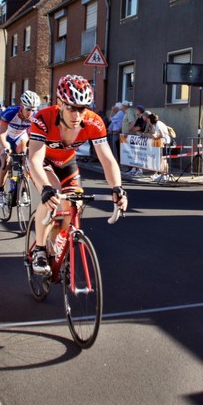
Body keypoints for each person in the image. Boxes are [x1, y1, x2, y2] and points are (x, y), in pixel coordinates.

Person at [27, 75, 128, 275]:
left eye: (82, 109)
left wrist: (117, 188)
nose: (76, 115)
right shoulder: (43, 118)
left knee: (76, 204)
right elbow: (35, 160)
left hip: (67, 163)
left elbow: (107, 159)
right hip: (43, 162)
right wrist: (45, 188)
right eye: (71, 108)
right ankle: (39, 249)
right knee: (53, 196)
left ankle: (59, 239)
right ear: (60, 103)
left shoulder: (93, 122)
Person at [0, 90, 40, 207]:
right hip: (5, 136)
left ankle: (24, 190)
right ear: (21, 105)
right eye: (28, 109)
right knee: (7, 162)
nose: (31, 112)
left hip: (20, 136)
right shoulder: (10, 112)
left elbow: (36, 135)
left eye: (33, 109)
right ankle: (0, 190)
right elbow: (2, 134)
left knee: (26, 160)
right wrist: (6, 147)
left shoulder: (36, 116)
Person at [147, 111, 172, 182]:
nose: (148, 121)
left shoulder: (158, 125)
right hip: (163, 142)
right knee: (163, 159)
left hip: (165, 142)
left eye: (148, 120)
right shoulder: (155, 125)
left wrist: (155, 138)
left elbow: (162, 135)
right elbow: (155, 133)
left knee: (163, 159)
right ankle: (163, 174)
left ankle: (164, 175)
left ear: (151, 119)